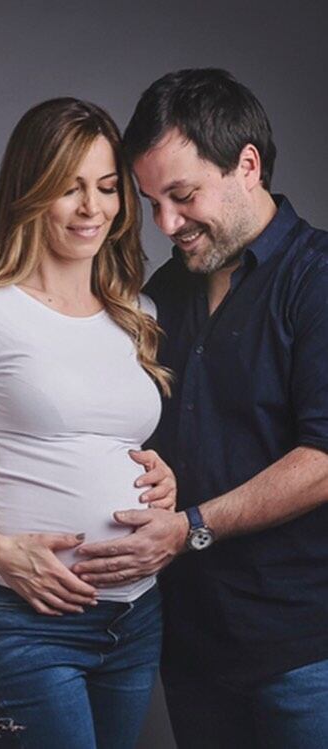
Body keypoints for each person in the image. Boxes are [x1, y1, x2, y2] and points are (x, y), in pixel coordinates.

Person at [0, 98, 177, 749]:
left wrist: (162, 480)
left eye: (105, 188)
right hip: (24, 617)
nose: (91, 208)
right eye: (67, 189)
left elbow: (116, 440)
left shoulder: (136, 308)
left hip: (136, 614)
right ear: (29, 191)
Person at [73, 68, 328, 748]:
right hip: (189, 646)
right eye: (151, 202)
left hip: (304, 653)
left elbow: (325, 459)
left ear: (246, 165)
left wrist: (189, 527)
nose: (165, 223)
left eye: (181, 196)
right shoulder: (165, 290)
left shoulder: (317, 277)